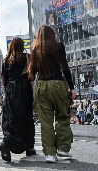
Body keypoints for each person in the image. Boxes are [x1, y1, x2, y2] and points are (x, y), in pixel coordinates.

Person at [28, 25, 76, 163]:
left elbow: (33, 72)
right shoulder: (58, 47)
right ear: (52, 34)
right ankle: (63, 148)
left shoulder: (35, 50)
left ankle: (50, 154)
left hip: (41, 86)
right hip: (58, 84)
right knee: (62, 116)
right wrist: (71, 87)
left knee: (46, 122)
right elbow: (65, 67)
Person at [0, 37, 36, 162]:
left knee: (11, 117)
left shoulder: (7, 61)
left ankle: (7, 142)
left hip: (10, 89)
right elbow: (32, 77)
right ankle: (29, 146)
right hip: (24, 88)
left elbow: (5, 79)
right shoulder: (27, 57)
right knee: (26, 117)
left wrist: (8, 90)